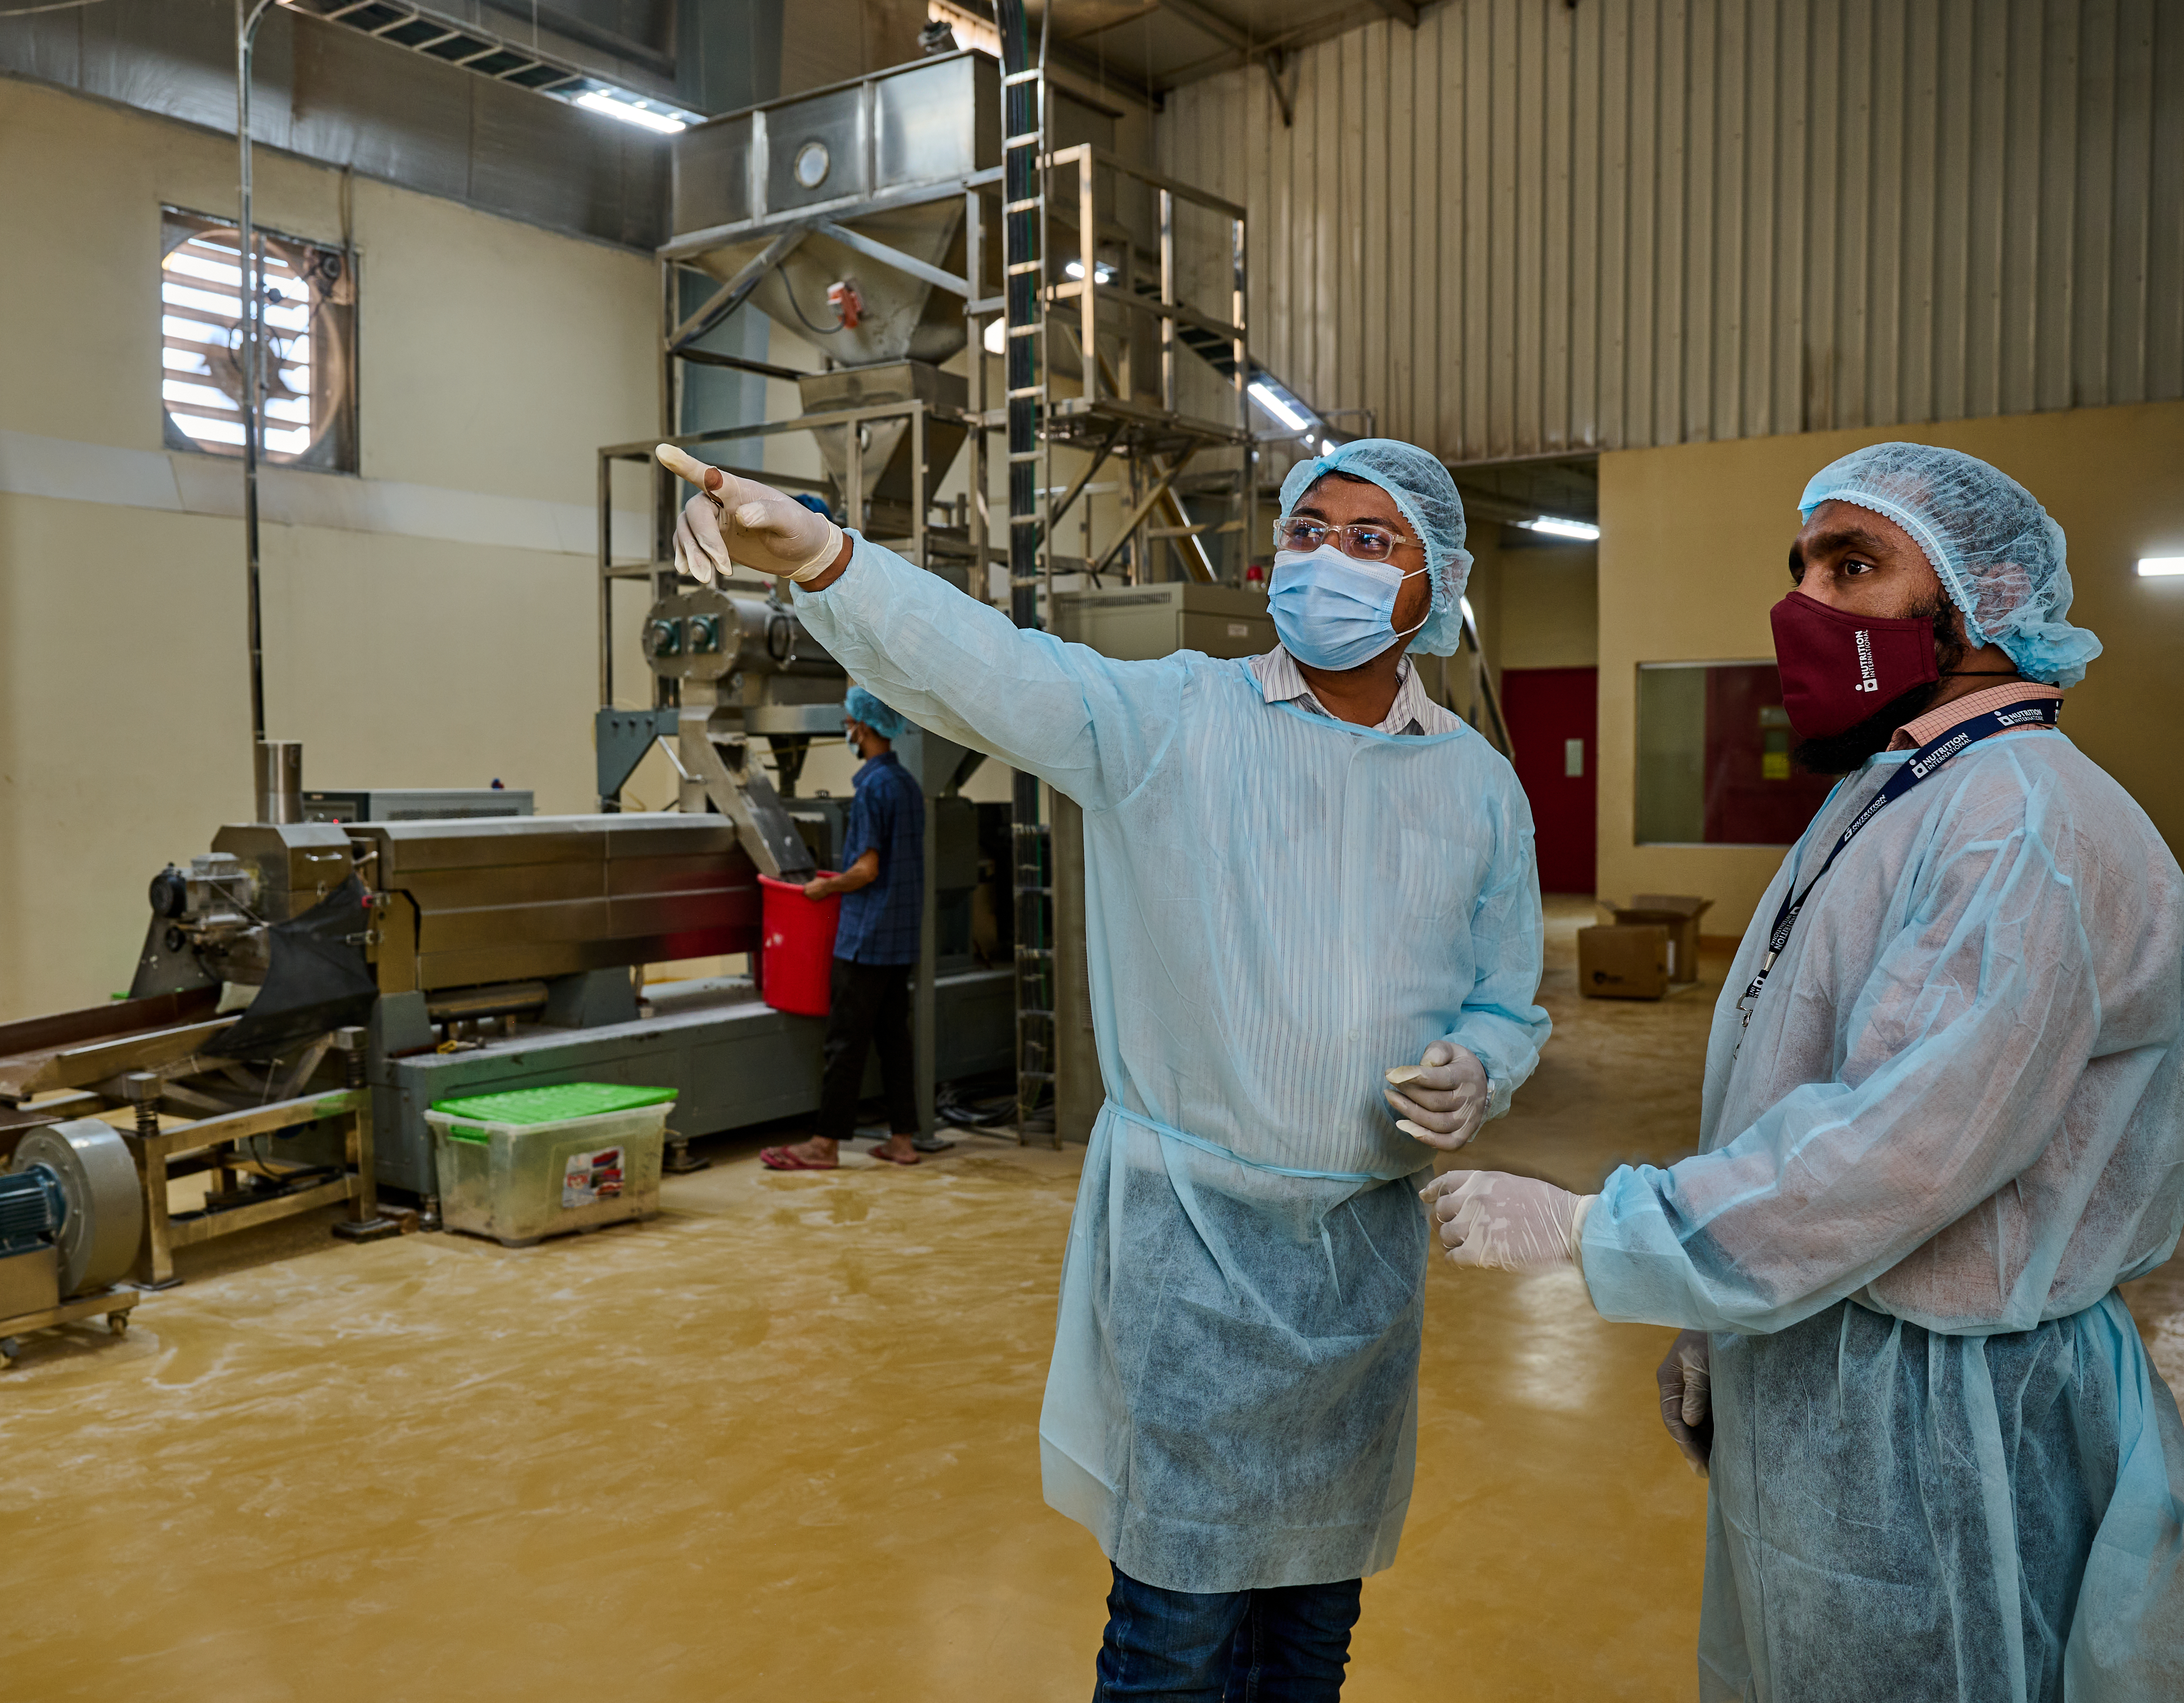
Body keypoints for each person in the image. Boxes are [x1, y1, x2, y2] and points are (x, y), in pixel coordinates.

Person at [659, 436, 1549, 1700]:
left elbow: (1506, 996)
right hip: (1194, 1253)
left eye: (1370, 540)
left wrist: (1485, 1064)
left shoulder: (1478, 790)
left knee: (1310, 1626)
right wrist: (823, 554)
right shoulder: (1172, 721)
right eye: (1307, 532)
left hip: (1362, 1275)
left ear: (1437, 582)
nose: (1327, 563)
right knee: (1174, 1635)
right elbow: (997, 673)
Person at [1423, 443, 2184, 1702]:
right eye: (1802, 568)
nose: (1808, 606)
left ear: (1983, 601)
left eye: (1856, 565)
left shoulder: (2022, 825)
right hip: (1839, 1361)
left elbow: (1900, 1145)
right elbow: (1793, 1083)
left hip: (1943, 1414)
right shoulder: (1903, 789)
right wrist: (1724, 1317)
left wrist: (1600, 1226)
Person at [760, 687, 928, 1171]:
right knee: (895, 1040)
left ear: (865, 727)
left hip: (866, 938)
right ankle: (902, 1139)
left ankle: (824, 1143)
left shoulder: (873, 788)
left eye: (851, 721)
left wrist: (824, 889)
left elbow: (868, 869)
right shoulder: (907, 784)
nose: (848, 729)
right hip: (900, 938)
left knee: (845, 1042)